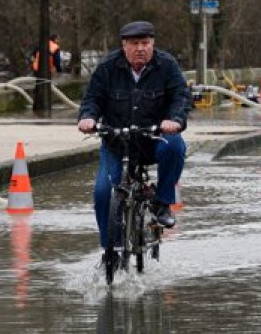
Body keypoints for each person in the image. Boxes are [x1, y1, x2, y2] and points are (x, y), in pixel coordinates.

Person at [77, 21, 190, 260]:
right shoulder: (107, 68)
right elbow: (92, 99)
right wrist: (87, 118)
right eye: (135, 44)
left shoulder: (167, 65)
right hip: (117, 142)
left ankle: (162, 203)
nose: (140, 48)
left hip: (153, 138)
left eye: (145, 43)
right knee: (103, 192)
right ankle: (110, 249)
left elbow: (180, 97)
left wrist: (175, 120)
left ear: (152, 44)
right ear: (124, 46)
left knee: (176, 146)